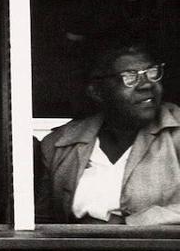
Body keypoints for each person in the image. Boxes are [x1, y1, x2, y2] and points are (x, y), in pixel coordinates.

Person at [36, 39, 180, 225]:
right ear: (97, 91)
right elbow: (41, 222)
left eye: (152, 72)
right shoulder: (59, 144)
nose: (147, 85)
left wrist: (139, 222)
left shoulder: (175, 132)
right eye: (129, 77)